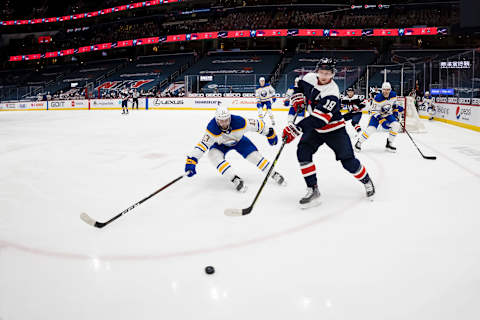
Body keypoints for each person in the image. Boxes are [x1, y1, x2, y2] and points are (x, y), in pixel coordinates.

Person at [281, 58, 375, 209]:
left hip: (334, 129)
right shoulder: (309, 78)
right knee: (303, 151)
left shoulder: (332, 92)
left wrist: (296, 128)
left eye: (328, 73)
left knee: (348, 162)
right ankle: (313, 189)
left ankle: (366, 180)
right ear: (317, 71)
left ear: (333, 75)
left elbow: (319, 120)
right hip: (315, 128)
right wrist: (297, 96)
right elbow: (298, 83)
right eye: (322, 72)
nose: (324, 76)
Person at [185, 105, 286, 192]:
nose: (224, 123)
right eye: (221, 121)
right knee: (213, 156)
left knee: (254, 157)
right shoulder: (212, 129)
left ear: (230, 118)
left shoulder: (239, 122)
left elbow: (258, 124)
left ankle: (273, 173)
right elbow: (202, 145)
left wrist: (269, 133)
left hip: (239, 141)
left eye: (226, 120)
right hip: (220, 144)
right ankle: (234, 178)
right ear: (217, 120)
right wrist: (192, 160)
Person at [354, 82, 403, 153]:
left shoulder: (393, 95)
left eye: (388, 90)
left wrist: (395, 113)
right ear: (382, 90)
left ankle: (389, 143)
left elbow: (394, 104)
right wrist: (382, 120)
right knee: (371, 129)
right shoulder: (378, 98)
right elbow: (373, 111)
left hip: (387, 114)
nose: (386, 91)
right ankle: (359, 142)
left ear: (390, 90)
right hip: (376, 115)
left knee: (396, 125)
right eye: (384, 90)